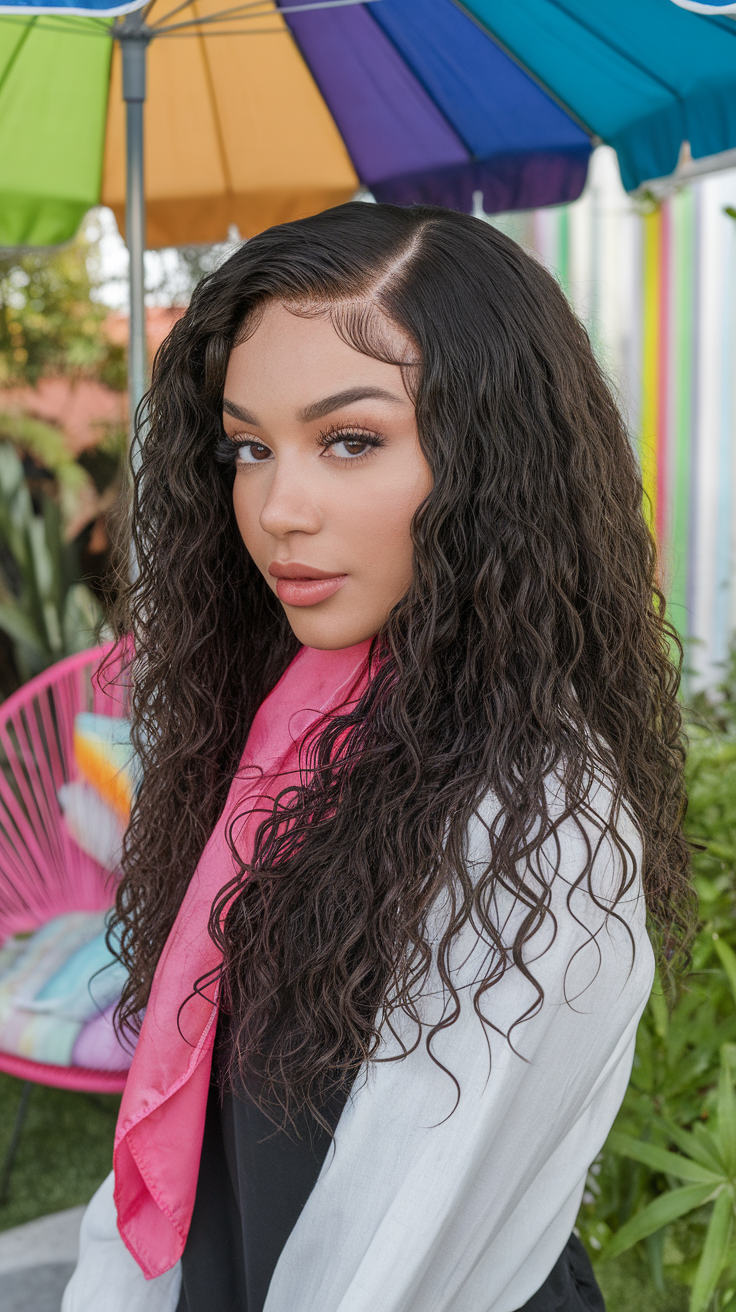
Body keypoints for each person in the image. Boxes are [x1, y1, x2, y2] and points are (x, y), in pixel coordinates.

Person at [63, 202, 691, 1312]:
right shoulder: (273, 728)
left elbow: (390, 1258)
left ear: (495, 465)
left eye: (350, 440)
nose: (276, 508)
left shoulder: (535, 821)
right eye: (247, 446)